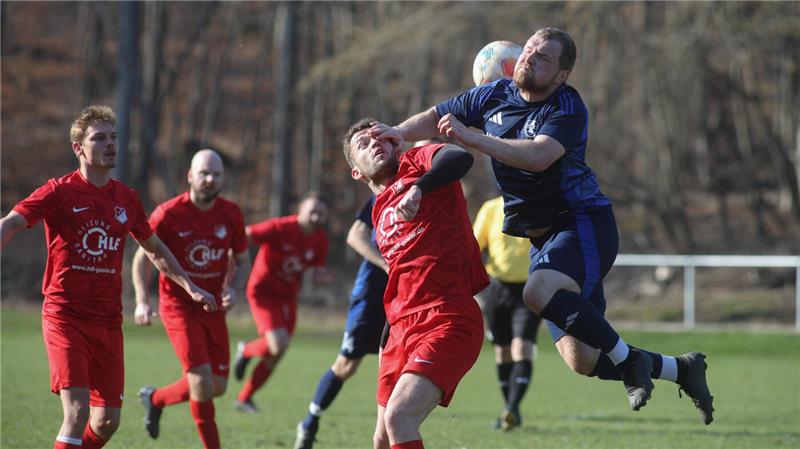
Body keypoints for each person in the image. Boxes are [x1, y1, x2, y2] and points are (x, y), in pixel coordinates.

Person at [370, 27, 714, 424]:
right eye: (530, 48)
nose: (531, 57)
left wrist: (472, 138)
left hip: (582, 223)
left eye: (544, 57)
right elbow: (434, 117)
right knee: (581, 359)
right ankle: (681, 369)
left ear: (560, 75)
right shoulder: (491, 95)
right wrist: (398, 131)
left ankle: (629, 361)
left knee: (537, 291)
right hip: (544, 239)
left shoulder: (567, 106)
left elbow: (538, 156)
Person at [0, 105, 215, 449]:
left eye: (114, 137)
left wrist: (191, 287)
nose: (110, 144)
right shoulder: (59, 191)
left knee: (107, 421)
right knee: (78, 411)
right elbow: (11, 222)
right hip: (65, 317)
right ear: (79, 148)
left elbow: (155, 249)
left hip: (108, 321)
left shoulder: (126, 198)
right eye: (99, 138)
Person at [342, 118, 489, 449]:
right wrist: (387, 335)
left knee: (400, 418)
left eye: (379, 138)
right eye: (363, 144)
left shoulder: (419, 163)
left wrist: (420, 187)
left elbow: (459, 158)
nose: (374, 144)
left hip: (446, 318)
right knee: (381, 438)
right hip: (398, 329)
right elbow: (402, 275)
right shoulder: (379, 210)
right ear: (358, 173)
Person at [131, 149, 251, 449]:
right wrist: (142, 300)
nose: (210, 179)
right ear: (190, 177)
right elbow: (141, 259)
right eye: (204, 173)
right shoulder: (168, 214)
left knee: (218, 386)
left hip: (213, 307)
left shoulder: (232, 214)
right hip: (178, 306)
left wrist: (233, 288)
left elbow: (243, 261)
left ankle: (155, 399)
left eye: (216, 174)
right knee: (200, 382)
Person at [294, 195, 389, 449]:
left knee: (394, 370)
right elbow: (355, 236)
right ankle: (310, 421)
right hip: (371, 296)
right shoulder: (384, 191)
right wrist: (385, 264)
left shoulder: (428, 190)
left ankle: (389, 437)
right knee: (346, 365)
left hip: (406, 295)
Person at [233, 193, 331, 412]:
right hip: (263, 292)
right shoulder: (280, 228)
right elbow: (247, 234)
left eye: (321, 213)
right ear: (300, 209)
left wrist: (322, 277)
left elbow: (318, 269)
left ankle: (244, 398)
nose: (316, 217)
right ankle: (246, 350)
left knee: (277, 354)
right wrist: (235, 262)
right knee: (278, 343)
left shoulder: (320, 239)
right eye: (312, 211)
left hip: (288, 298)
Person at [473, 195, 542, 431]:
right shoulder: (491, 208)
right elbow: (474, 245)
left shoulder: (538, 204)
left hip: (529, 289)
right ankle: (511, 410)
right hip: (498, 289)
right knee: (502, 352)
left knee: (521, 347)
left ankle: (512, 406)